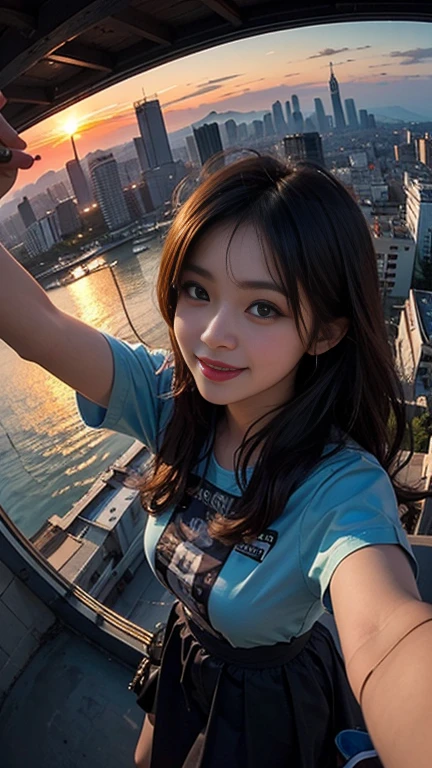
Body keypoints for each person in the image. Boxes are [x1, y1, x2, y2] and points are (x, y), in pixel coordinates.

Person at [1, 91, 432, 768]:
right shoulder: (169, 401)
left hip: (274, 695)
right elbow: (40, 328)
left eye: (262, 307)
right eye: (197, 292)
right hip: (183, 650)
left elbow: (385, 629)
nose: (211, 336)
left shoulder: (339, 485)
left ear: (324, 330)